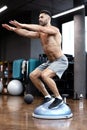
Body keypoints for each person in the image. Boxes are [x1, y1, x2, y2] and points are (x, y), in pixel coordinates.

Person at [2, 10, 68, 109]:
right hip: (50, 61)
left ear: (48, 18)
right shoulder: (41, 33)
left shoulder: (54, 30)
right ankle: (47, 97)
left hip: (60, 60)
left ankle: (58, 98)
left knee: (45, 75)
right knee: (33, 75)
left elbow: (39, 28)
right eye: (38, 17)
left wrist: (22, 24)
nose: (39, 19)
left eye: (42, 17)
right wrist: (13, 29)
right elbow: (27, 33)